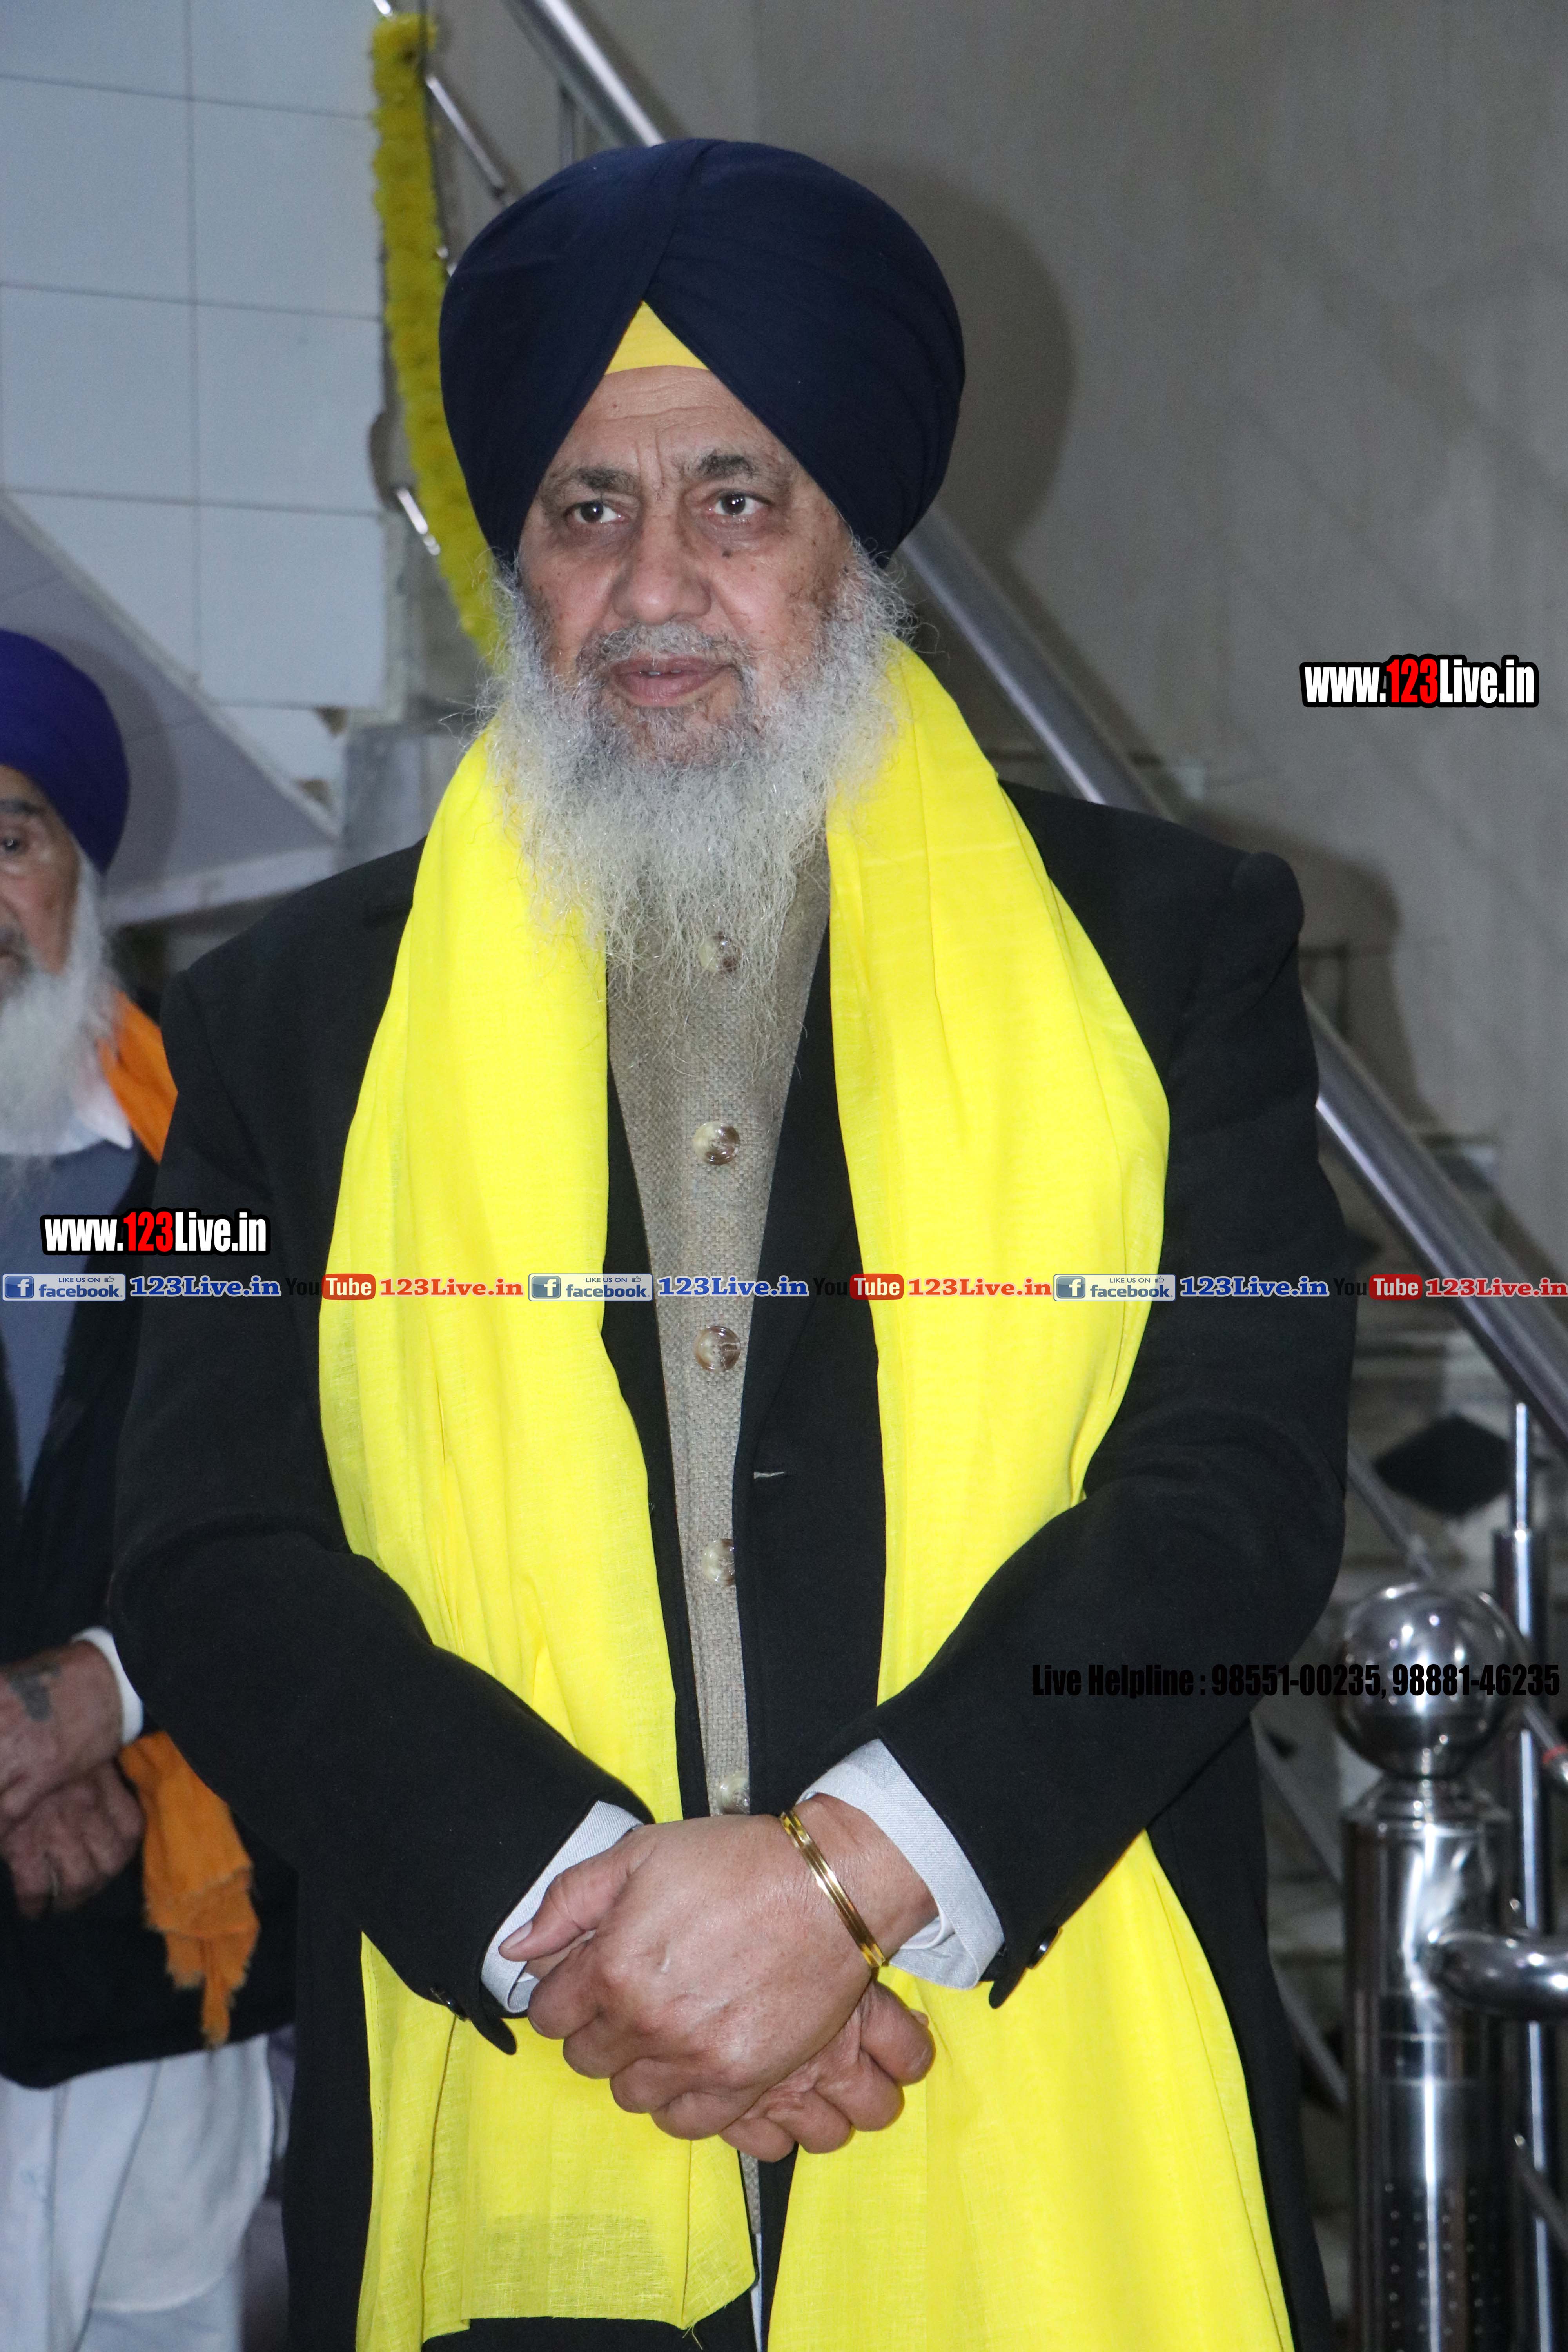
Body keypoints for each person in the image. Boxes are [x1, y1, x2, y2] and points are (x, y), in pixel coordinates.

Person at [112, 142, 1355, 2352]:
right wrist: (593, 1938)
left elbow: (1231, 1498)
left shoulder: (1174, 950)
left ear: (854, 540)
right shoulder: (273, 1022)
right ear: (519, 559)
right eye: (587, 509)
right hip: (523, 2082)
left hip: (1022, 2045)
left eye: (738, 500)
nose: (655, 581)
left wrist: (851, 1879)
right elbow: (209, 1548)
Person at [0, 631, 294, 2352]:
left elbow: (296, 1484)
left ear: (81, 881)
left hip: (145, 1974)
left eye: (11, 835)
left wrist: (104, 1703)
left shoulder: (212, 1167)